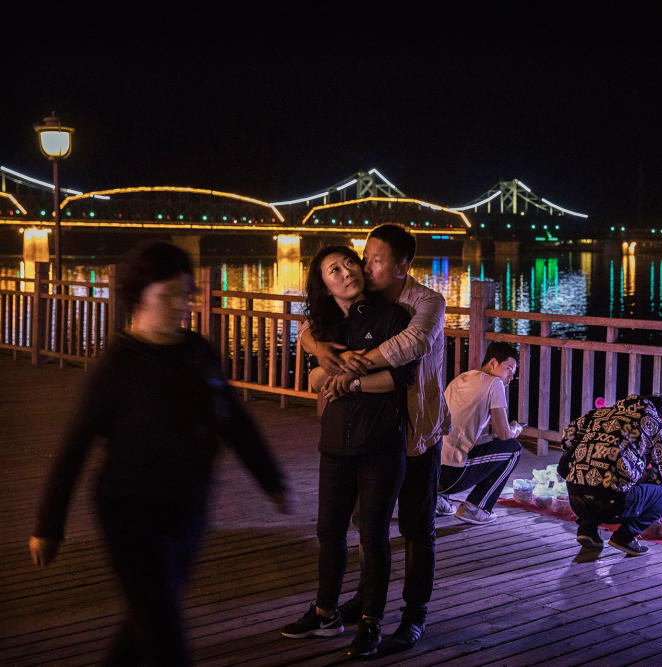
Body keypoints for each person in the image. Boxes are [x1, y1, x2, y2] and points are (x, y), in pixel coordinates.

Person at [29, 241, 288, 666]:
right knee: (165, 634)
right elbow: (75, 444)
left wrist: (270, 479)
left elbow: (233, 421)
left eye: (187, 293)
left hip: (189, 511)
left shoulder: (197, 351)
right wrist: (48, 525)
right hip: (130, 514)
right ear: (140, 296)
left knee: (144, 623)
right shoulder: (117, 364)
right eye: (169, 295)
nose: (183, 304)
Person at [297, 226, 448, 651]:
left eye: (375, 259)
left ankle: (414, 613)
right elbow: (312, 324)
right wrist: (317, 346)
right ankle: (366, 602)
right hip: (374, 435)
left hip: (417, 429)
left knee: (417, 528)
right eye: (363, 257)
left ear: (403, 266)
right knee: (370, 526)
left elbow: (411, 344)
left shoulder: (427, 302)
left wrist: (347, 367)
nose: (363, 266)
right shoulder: (367, 301)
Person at [280, 246, 416, 657]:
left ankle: (371, 621)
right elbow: (313, 378)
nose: (345, 273)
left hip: (380, 444)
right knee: (329, 532)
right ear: (323, 284)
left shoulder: (392, 316)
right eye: (333, 270)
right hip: (335, 442)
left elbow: (400, 379)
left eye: (349, 264)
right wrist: (330, 369)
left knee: (373, 536)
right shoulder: (322, 328)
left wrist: (350, 381)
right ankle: (326, 612)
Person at [558, 394, 662, 555]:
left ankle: (587, 529)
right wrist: (640, 473)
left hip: (575, 499)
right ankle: (626, 536)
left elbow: (567, 438)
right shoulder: (654, 422)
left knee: (596, 478)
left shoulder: (600, 413)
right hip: (611, 505)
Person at [439, 341, 523, 524]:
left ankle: (439, 500)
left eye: (513, 373)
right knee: (514, 449)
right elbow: (505, 437)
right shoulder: (494, 384)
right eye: (509, 368)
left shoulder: (462, 378)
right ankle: (476, 507)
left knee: (457, 441)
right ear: (493, 363)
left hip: (431, 471)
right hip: (451, 476)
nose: (511, 376)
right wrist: (515, 429)